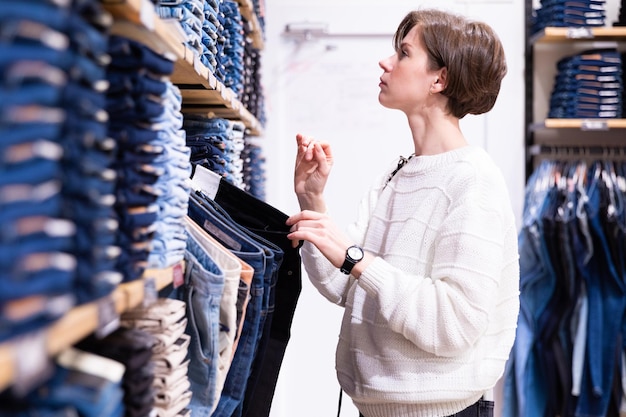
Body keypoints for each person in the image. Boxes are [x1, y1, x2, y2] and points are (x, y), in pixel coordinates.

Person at [285, 8, 520, 417]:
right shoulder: (397, 174)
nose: (386, 62)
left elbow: (455, 323)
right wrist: (313, 200)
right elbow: (343, 285)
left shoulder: (474, 181)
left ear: (439, 79)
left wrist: (356, 258)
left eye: (403, 53)